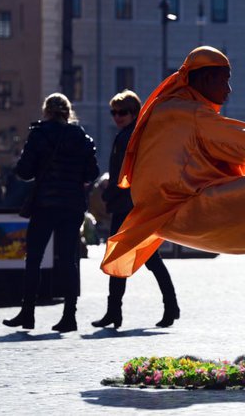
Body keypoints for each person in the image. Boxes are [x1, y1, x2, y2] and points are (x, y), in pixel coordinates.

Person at [100, 46, 245, 277]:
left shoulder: (167, 108)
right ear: (205, 80)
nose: (229, 89)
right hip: (180, 210)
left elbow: (237, 160)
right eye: (223, 80)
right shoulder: (194, 115)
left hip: (155, 214)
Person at [3, 93, 99, 332]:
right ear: (68, 113)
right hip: (72, 206)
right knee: (68, 260)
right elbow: (91, 173)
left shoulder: (39, 134)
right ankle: (69, 316)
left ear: (46, 111)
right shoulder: (81, 137)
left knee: (34, 258)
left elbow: (24, 172)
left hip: (45, 204)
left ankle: (28, 313)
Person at [93, 90, 180, 328]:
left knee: (124, 258)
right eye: (114, 112)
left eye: (122, 112)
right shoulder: (135, 135)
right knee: (145, 258)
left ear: (134, 113)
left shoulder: (129, 138)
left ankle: (117, 312)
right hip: (135, 204)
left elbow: (127, 174)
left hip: (128, 205)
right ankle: (167, 307)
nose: (117, 117)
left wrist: (111, 192)